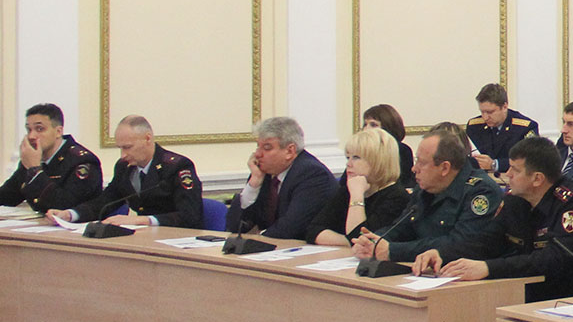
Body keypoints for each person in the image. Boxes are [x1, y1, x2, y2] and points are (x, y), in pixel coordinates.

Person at [417, 135, 573, 301]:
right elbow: (486, 241)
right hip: (531, 294)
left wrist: (488, 268)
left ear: (537, 179)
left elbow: (552, 260)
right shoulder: (516, 200)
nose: (508, 174)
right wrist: (442, 253)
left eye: (515, 170)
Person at [351, 129, 503, 277]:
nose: (414, 168)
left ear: (444, 168)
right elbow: (401, 228)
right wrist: (373, 241)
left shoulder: (481, 192)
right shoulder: (426, 188)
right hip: (423, 272)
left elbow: (460, 243)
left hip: (461, 278)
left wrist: (392, 250)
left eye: (421, 163)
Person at [56, 115, 203, 228]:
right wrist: (70, 214)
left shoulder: (177, 167)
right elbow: (106, 201)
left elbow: (190, 216)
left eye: (127, 147)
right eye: (120, 148)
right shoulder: (124, 167)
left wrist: (143, 220)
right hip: (144, 239)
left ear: (147, 139)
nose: (123, 155)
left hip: (175, 239)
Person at [227, 116, 333, 239]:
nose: (257, 154)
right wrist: (254, 184)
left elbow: (291, 228)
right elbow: (234, 227)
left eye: (267, 148)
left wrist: (256, 238)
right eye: (258, 146)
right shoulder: (264, 173)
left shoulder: (312, 174)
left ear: (290, 151)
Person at [308, 127, 410, 246]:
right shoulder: (348, 189)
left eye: (356, 157)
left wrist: (357, 196)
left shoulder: (397, 198)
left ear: (378, 160)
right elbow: (313, 231)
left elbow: (361, 239)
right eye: (348, 157)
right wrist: (347, 241)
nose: (348, 164)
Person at [0, 103, 103, 213]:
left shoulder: (82, 161)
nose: (31, 136)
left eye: (39, 129)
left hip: (73, 223)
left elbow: (63, 205)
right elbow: (8, 196)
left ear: (58, 132)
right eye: (29, 130)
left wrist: (35, 170)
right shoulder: (33, 158)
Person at [467, 83, 538, 175]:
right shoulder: (474, 126)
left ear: (504, 107)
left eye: (490, 112)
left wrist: (495, 164)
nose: (485, 117)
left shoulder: (525, 127)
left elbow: (530, 160)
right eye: (482, 112)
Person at [361, 103, 414, 182]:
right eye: (365, 124)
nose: (366, 129)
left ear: (387, 127)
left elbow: (404, 182)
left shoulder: (402, 150)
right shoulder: (361, 150)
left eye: (373, 125)